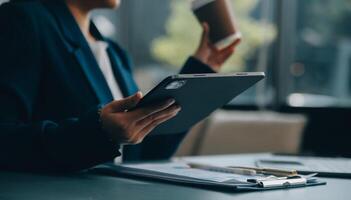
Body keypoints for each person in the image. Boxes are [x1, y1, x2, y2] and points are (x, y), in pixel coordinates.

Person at [0, 0, 240, 172]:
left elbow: (145, 154)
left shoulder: (114, 53)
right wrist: (100, 132)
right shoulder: (21, 18)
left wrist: (200, 68)